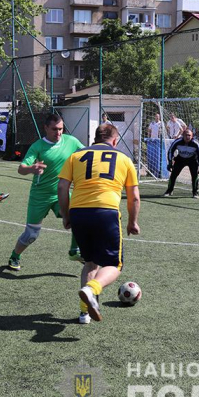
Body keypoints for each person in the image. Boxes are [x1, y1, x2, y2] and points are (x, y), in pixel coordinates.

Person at [57, 123, 140, 324]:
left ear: (95, 139)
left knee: (90, 262)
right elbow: (134, 197)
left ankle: (84, 313)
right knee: (114, 264)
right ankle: (92, 289)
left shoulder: (75, 156)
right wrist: (133, 222)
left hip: (78, 213)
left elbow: (62, 186)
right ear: (114, 141)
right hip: (106, 212)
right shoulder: (124, 159)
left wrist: (66, 215)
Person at [7, 114, 84, 272]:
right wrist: (31, 169)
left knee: (78, 216)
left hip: (60, 194)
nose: (58, 133)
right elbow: (21, 168)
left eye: (61, 129)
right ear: (46, 128)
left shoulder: (71, 141)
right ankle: (15, 256)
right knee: (31, 235)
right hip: (39, 197)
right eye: (55, 129)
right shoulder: (37, 146)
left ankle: (74, 251)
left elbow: (88, 153)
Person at [162, 129, 199, 199]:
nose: (187, 137)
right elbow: (170, 151)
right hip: (180, 159)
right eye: (186, 135)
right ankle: (169, 191)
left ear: (192, 136)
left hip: (192, 159)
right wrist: (170, 162)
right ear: (182, 136)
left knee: (195, 175)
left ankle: (195, 193)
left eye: (189, 135)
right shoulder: (177, 142)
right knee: (173, 175)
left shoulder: (196, 143)